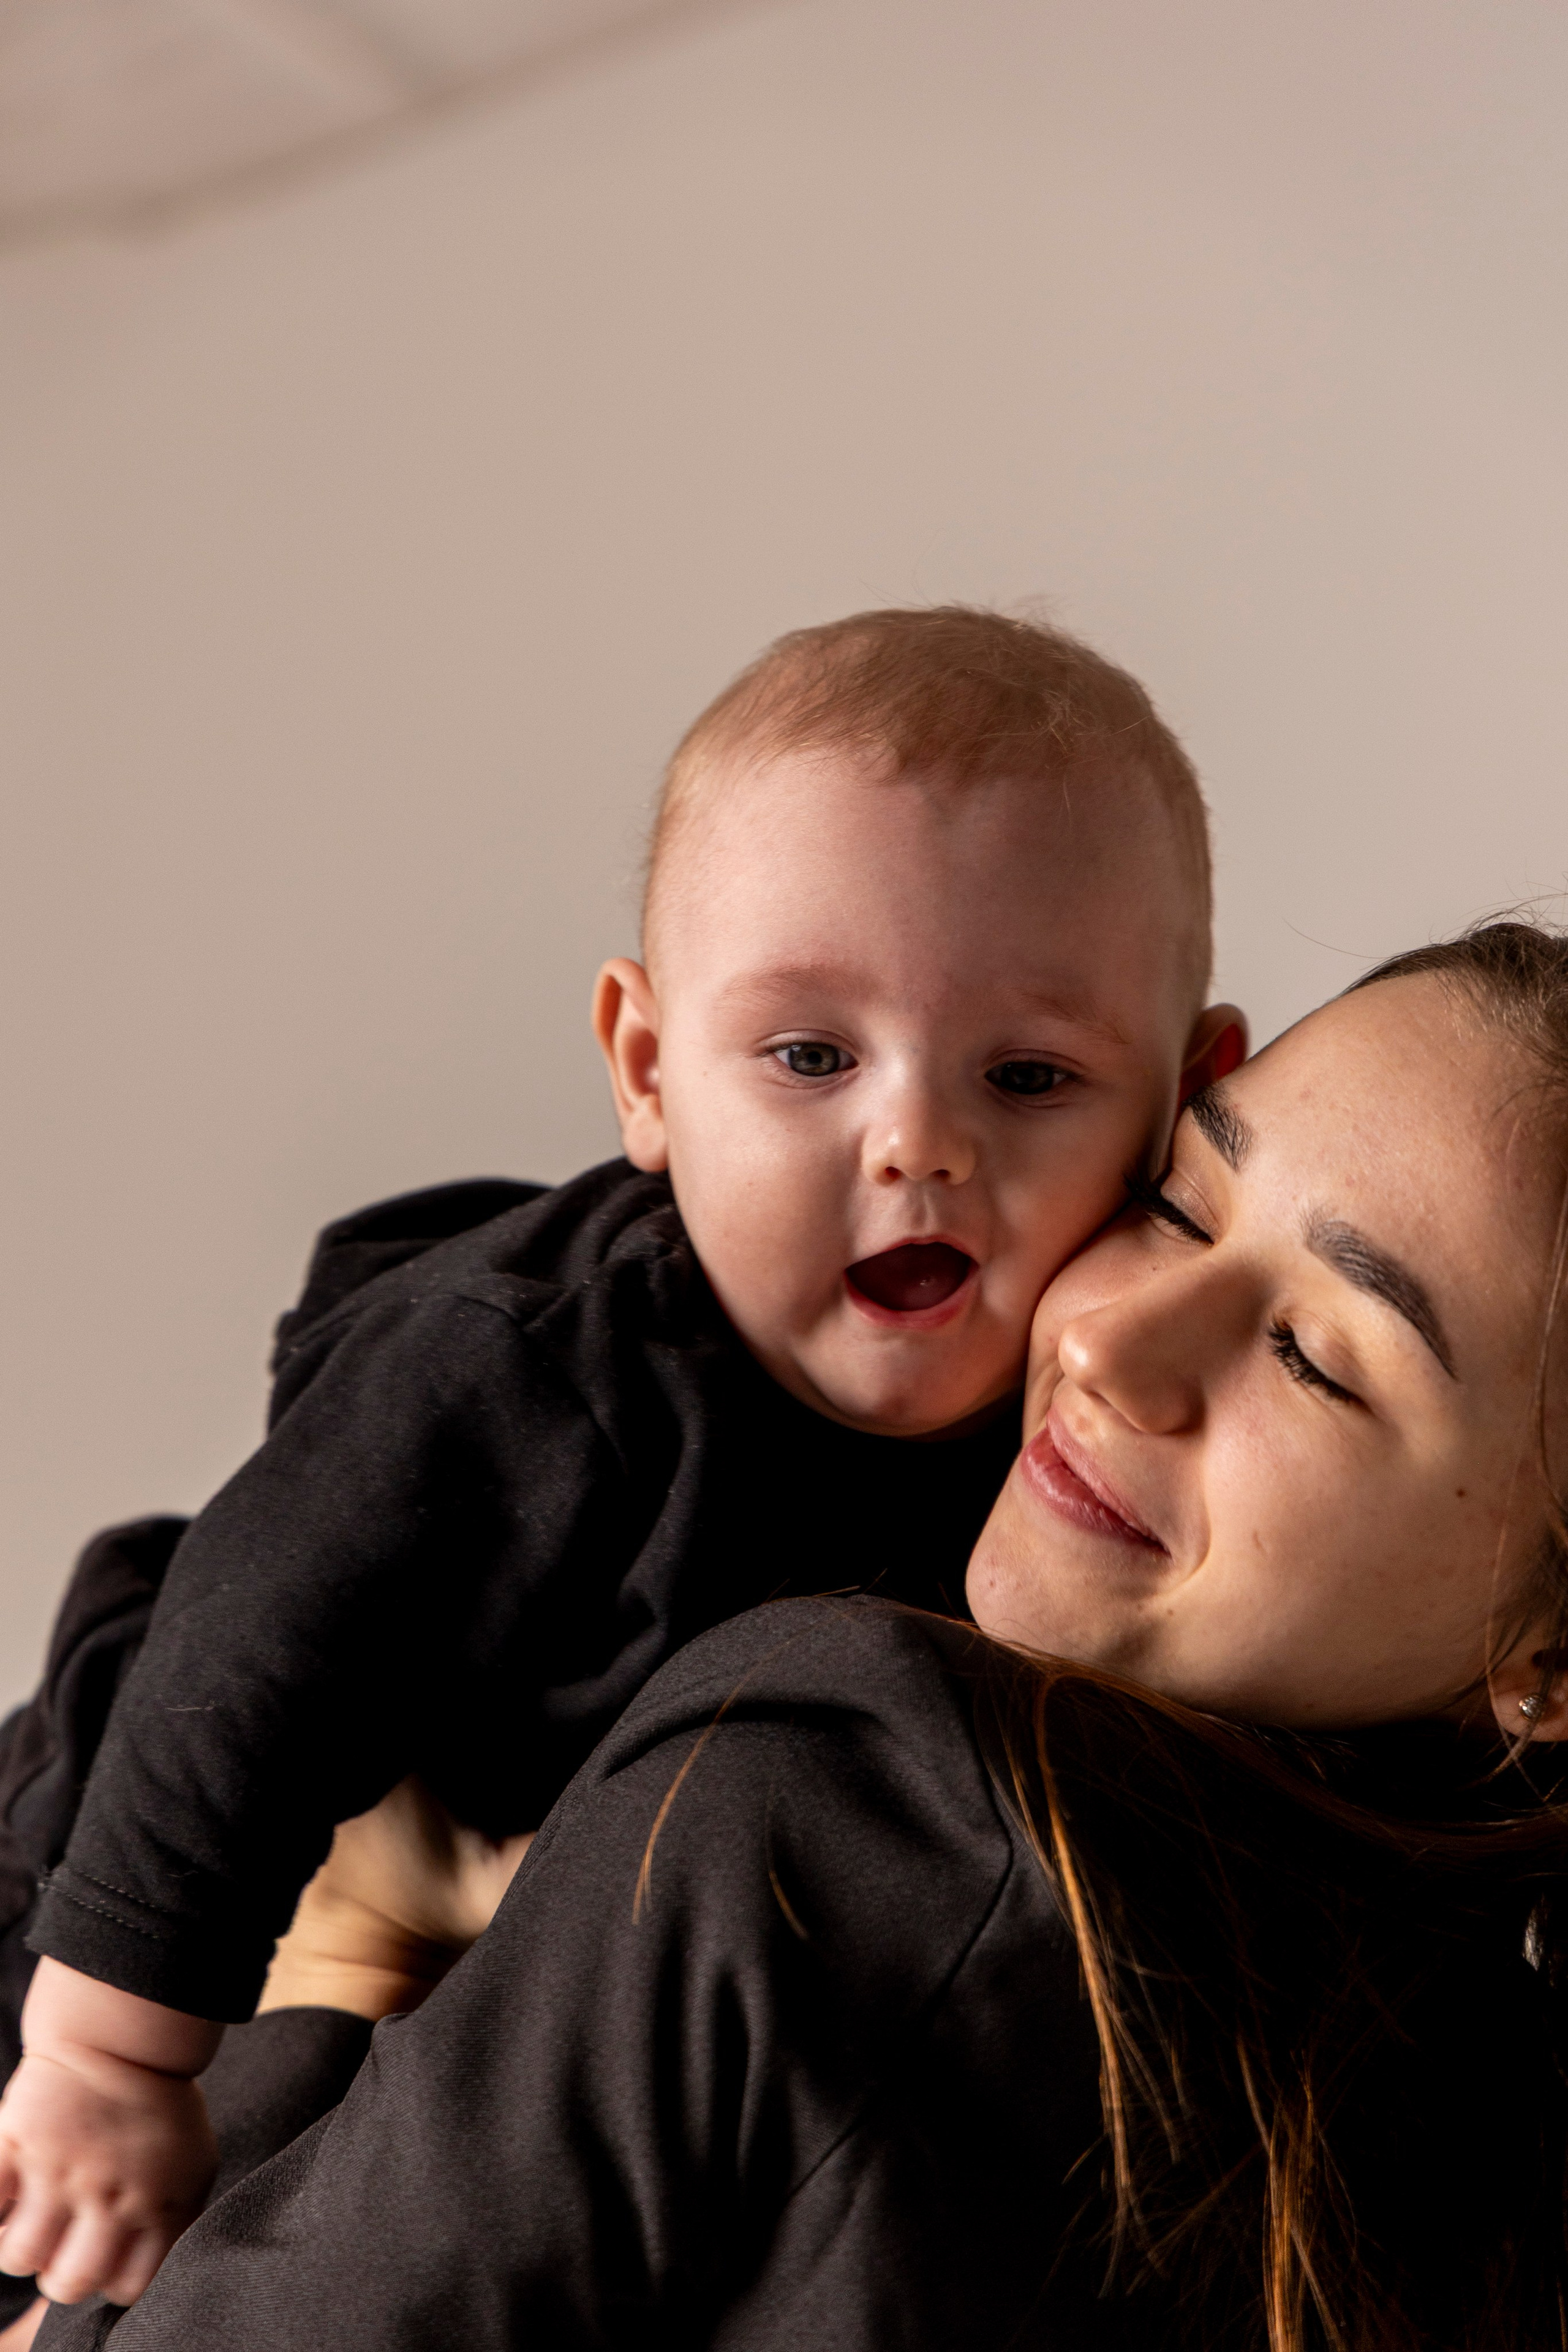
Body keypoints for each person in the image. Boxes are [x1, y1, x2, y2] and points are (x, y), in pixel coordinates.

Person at [37, 916, 1568, 2352]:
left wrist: (337, 1970)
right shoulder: (1482, 2126)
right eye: (1175, 1199)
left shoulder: (838, 1799)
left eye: (1313, 1358)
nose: (1107, 1339)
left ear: (1550, 1658)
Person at [0, 606, 1245, 2310]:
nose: (920, 1143)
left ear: (1187, 1102)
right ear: (650, 1072)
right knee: (91, 2210)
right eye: (811, 1056)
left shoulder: (1114, 1414)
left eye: (1029, 1076)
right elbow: (254, 1657)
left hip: (530, 1939)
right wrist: (106, 2059)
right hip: (158, 1827)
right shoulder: (528, 1367)